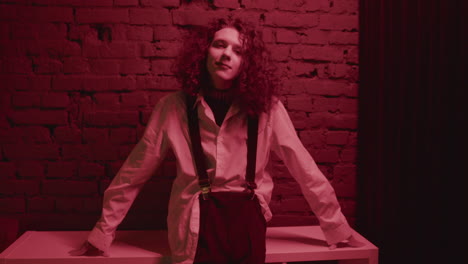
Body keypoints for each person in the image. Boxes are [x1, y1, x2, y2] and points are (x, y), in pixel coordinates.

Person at [70, 16, 363, 264]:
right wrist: (102, 233)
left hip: (247, 226)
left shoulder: (268, 108)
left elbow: (304, 168)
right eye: (219, 44)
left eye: (238, 50)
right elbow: (134, 173)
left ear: (246, 63)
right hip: (192, 229)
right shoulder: (172, 108)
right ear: (204, 51)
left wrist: (336, 226)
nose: (226, 54)